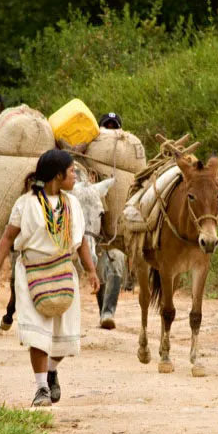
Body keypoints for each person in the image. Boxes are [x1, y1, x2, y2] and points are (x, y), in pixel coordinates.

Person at [0, 149, 100, 407]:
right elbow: (7, 238)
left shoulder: (72, 204)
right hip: (32, 272)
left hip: (62, 271)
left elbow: (80, 241)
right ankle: (41, 389)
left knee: (65, 334)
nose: (75, 176)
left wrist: (92, 271)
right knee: (38, 333)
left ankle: (51, 369)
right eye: (72, 171)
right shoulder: (26, 204)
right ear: (57, 176)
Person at [94, 111, 128, 329]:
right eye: (106, 126)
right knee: (98, 269)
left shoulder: (125, 167)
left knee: (116, 263)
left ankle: (107, 313)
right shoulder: (88, 163)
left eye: (113, 126)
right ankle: (101, 309)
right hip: (91, 233)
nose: (110, 130)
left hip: (114, 232)